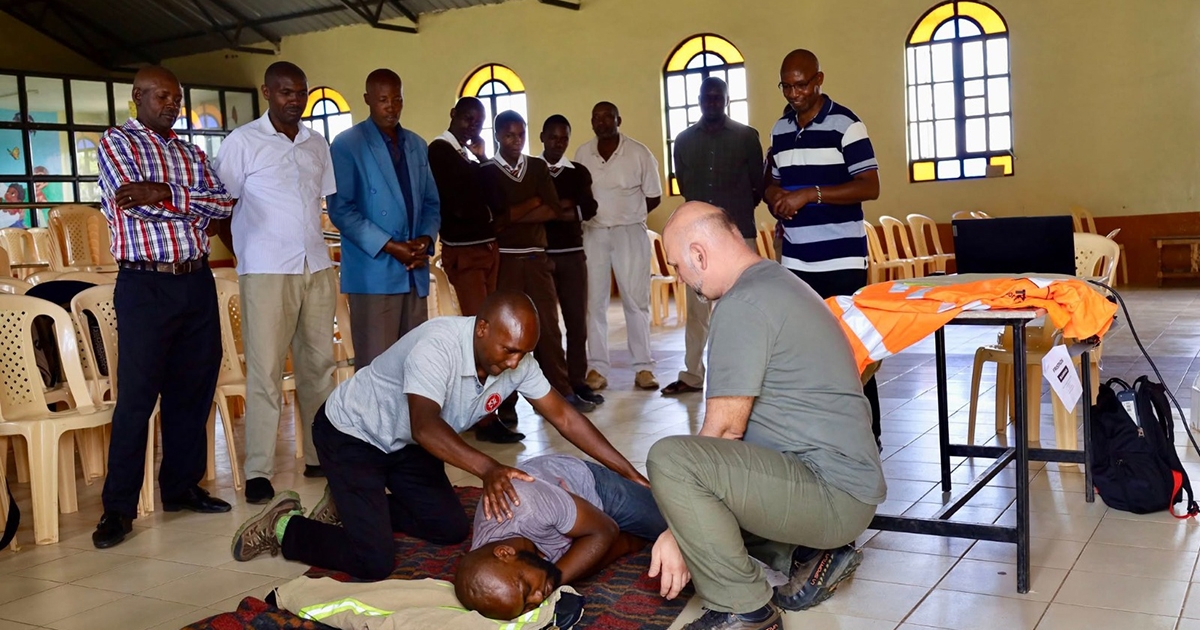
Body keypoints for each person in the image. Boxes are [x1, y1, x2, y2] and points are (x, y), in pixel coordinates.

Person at [230, 291, 647, 582]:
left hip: (409, 445)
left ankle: (356, 504)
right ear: (482, 328)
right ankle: (285, 525)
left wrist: (627, 470)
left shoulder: (518, 359)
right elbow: (425, 425)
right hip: (352, 434)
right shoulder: (439, 345)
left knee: (448, 528)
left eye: (524, 352)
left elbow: (566, 418)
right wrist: (488, 468)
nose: (516, 361)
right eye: (509, 350)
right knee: (373, 560)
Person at [646, 203, 885, 630]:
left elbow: (721, 431)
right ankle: (811, 555)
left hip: (831, 495)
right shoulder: (777, 282)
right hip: (841, 487)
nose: (681, 278)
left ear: (700, 255)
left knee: (673, 462)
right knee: (702, 492)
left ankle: (742, 608)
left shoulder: (743, 304)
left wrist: (677, 529)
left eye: (680, 266)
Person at [92, 66, 235, 549]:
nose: (172, 104)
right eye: (162, 96)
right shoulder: (116, 144)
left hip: (195, 280)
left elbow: (223, 206)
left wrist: (166, 192)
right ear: (138, 97)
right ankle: (118, 509)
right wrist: (177, 201)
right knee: (136, 399)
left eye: (176, 97)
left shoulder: (191, 151)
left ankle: (179, 487)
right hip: (145, 285)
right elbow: (135, 205)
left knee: (192, 390)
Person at [213, 61, 339, 504]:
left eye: (301, 92)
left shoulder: (315, 143)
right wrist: (248, 251)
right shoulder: (242, 142)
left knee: (319, 368)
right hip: (266, 270)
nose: (295, 99)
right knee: (265, 372)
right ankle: (259, 472)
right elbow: (219, 207)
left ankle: (323, 455)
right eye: (285, 91)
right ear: (267, 92)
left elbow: (319, 204)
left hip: (316, 266)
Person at [762, 49, 882, 445]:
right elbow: (771, 180)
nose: (793, 93)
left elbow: (870, 185)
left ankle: (868, 436)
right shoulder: (780, 129)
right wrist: (776, 196)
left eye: (801, 84)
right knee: (804, 350)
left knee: (851, 350)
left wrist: (810, 195)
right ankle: (819, 435)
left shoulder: (847, 125)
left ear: (819, 80)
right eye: (786, 85)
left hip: (842, 258)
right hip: (798, 259)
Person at [480, 111, 593, 440]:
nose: (516, 141)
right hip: (505, 260)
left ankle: (560, 394)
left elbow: (553, 210)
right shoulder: (487, 172)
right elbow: (494, 222)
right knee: (505, 335)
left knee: (547, 327)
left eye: (521, 134)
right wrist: (531, 204)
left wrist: (513, 215)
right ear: (498, 136)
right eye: (510, 135)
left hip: (536, 257)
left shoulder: (538, 167)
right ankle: (506, 403)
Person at [455, 453, 666, 620]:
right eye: (527, 606)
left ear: (504, 552)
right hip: (572, 514)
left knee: (676, 525)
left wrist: (559, 578)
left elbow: (606, 530)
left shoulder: (527, 505)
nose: (538, 598)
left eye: (527, 588)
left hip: (586, 483)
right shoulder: (485, 565)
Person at [327, 69, 440, 369]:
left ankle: (413, 419)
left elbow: (431, 202)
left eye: (397, 99)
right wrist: (391, 246)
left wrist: (426, 240)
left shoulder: (416, 144)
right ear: (367, 100)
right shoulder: (347, 144)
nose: (391, 106)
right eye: (382, 99)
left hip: (413, 270)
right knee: (378, 368)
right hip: (374, 273)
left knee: (416, 366)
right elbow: (341, 209)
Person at [660, 77, 764, 397]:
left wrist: (728, 221)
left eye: (719, 98)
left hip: (738, 235)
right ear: (700, 101)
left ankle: (745, 375)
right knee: (697, 308)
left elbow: (757, 187)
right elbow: (687, 187)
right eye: (708, 98)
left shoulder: (746, 137)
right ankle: (693, 374)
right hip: (698, 239)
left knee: (744, 306)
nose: (713, 103)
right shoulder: (684, 140)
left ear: (727, 100)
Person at [573, 102, 662, 392]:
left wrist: (629, 215)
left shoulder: (638, 152)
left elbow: (654, 196)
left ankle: (644, 368)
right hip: (595, 233)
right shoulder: (583, 153)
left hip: (630, 233)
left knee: (635, 301)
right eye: (595, 117)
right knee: (594, 303)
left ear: (618, 120)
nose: (601, 122)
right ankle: (597, 368)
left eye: (606, 116)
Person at [540, 115, 603, 406]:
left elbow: (588, 207)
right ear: (542, 137)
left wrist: (552, 210)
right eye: (553, 137)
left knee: (577, 321)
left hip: (572, 256)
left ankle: (577, 381)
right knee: (547, 327)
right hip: (541, 257)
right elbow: (536, 208)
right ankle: (552, 383)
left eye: (564, 138)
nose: (558, 143)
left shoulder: (577, 172)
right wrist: (562, 207)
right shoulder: (532, 170)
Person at [428, 97, 498, 317]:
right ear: (453, 114)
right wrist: (488, 215)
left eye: (478, 122)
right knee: (478, 321)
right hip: (465, 250)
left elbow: (495, 195)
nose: (473, 127)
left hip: (485, 247)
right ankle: (474, 354)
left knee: (490, 315)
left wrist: (483, 157)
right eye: (468, 119)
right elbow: (457, 203)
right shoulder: (440, 150)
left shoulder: (465, 154)